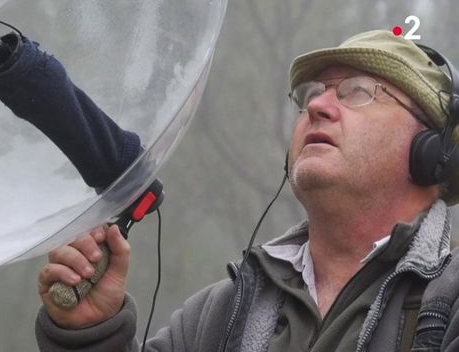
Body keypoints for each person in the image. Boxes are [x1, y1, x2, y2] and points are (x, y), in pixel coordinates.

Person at [35, 30, 459, 351]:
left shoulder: (449, 302)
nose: (318, 105)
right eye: (313, 93)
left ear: (432, 152)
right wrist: (91, 333)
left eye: (358, 92)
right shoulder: (218, 315)